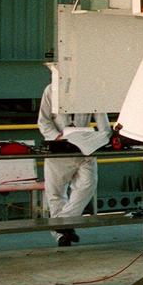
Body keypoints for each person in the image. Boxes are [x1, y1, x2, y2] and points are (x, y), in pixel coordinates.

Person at [37, 82, 98, 247]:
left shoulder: (92, 88)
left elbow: (102, 119)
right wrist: (57, 136)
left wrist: (101, 137)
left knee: (88, 185)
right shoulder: (50, 90)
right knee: (55, 193)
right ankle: (61, 235)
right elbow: (43, 121)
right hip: (59, 149)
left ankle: (62, 224)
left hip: (84, 148)